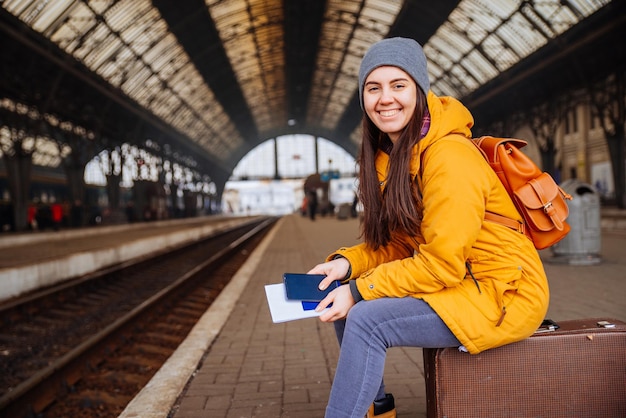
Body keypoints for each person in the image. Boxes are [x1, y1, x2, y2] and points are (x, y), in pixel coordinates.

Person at [306, 37, 549, 418]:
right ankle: (378, 407)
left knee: (366, 318)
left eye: (398, 85)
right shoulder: (396, 158)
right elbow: (403, 247)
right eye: (373, 88)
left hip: (501, 294)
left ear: (419, 91)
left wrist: (360, 290)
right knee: (346, 294)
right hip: (462, 283)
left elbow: (441, 264)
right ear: (363, 98)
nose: (385, 98)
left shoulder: (448, 158)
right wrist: (347, 267)